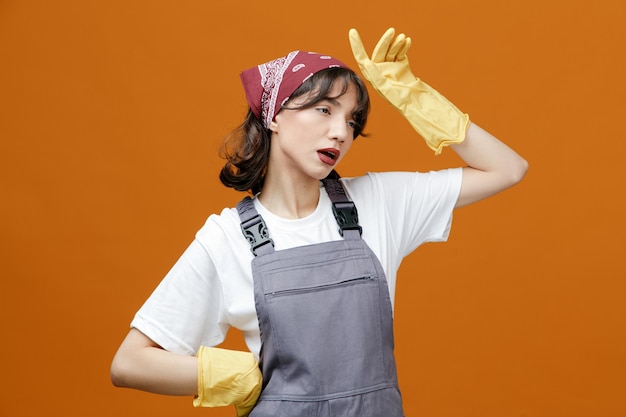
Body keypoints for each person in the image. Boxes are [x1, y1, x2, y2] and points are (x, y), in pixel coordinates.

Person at [110, 28, 528, 417]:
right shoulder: (227, 239)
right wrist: (224, 373)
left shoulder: (378, 202)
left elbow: (507, 169)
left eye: (351, 120)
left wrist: (416, 98)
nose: (341, 132)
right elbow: (129, 363)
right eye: (324, 109)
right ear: (273, 116)